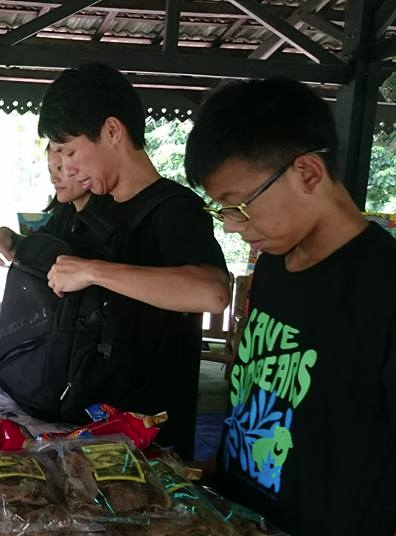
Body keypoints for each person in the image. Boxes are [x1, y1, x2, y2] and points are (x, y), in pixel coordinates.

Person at [185, 78, 396, 536]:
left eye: (240, 205)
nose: (232, 226)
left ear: (308, 173)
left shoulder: (383, 288)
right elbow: (249, 389)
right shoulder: (274, 267)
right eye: (221, 209)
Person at [40, 63, 230, 459]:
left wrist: (94, 272)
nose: (67, 168)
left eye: (71, 151)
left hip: (150, 441)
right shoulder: (96, 209)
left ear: (112, 131)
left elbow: (211, 292)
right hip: (87, 424)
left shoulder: (176, 209)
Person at [0, 143, 93, 269]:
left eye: (60, 168)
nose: (53, 179)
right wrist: (11, 240)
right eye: (50, 170)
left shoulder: (103, 220)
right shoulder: (64, 216)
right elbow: (43, 250)